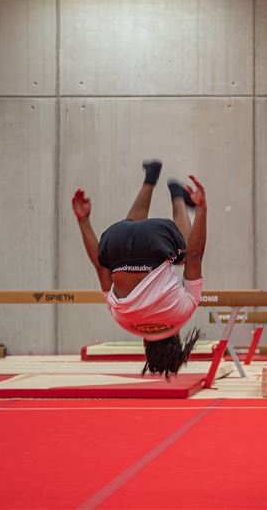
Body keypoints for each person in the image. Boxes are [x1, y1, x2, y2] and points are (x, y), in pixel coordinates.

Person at [71, 160, 207, 377]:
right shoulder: (123, 320)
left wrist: (201, 210)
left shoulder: (182, 314)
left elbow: (194, 255)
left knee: (183, 259)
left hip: (157, 238)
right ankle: (150, 179)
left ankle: (178, 197)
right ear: (145, 344)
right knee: (130, 232)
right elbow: (100, 267)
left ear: (178, 338)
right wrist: (83, 221)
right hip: (115, 239)